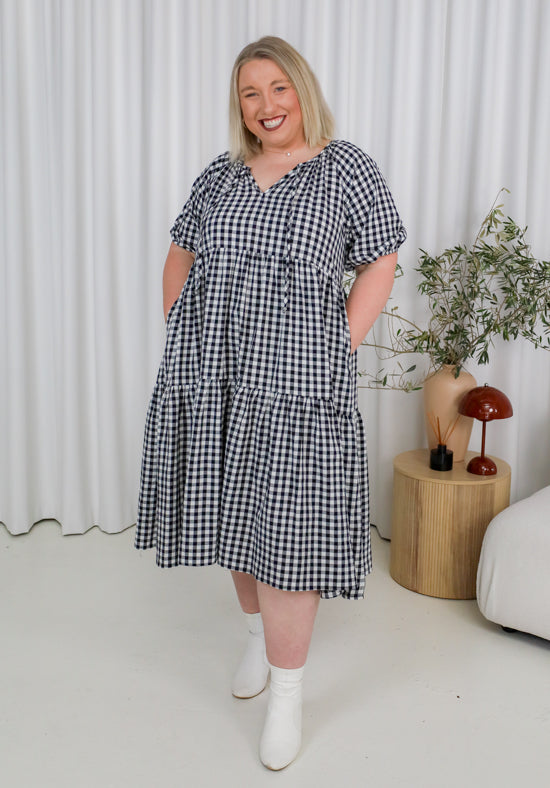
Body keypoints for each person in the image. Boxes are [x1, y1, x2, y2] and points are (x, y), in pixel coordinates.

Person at [135, 35, 406, 770]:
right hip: (215, 375)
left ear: (302, 89)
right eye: (251, 94)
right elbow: (180, 254)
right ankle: (256, 638)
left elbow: (381, 258)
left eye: (278, 89)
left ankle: (288, 693)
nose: (266, 107)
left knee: (288, 531)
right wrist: (185, 339)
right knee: (236, 509)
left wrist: (339, 342)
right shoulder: (222, 175)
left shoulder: (345, 168)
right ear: (240, 106)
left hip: (298, 382)